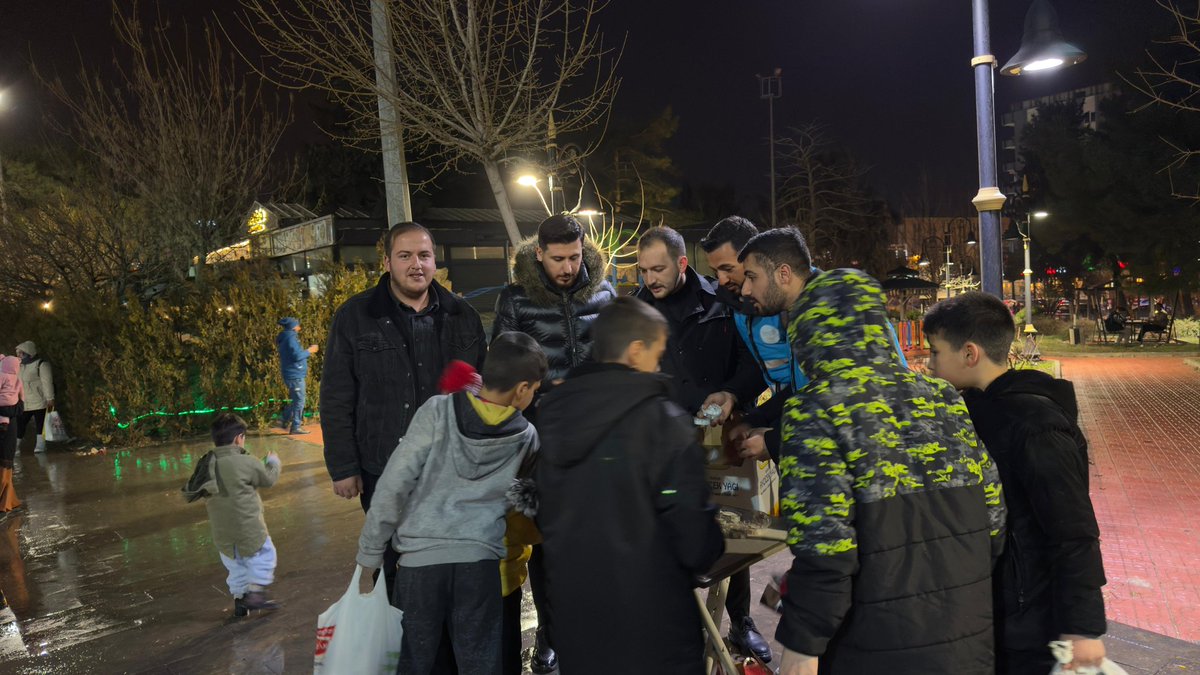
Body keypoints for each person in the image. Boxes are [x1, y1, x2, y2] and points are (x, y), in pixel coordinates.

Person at [738, 228, 1006, 675]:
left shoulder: (816, 410)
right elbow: (992, 519)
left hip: (876, 645)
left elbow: (825, 549)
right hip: (967, 637)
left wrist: (802, 650)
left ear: (808, 334)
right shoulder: (942, 398)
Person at [534, 297, 725, 675]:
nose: (660, 364)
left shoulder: (554, 417)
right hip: (654, 633)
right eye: (658, 353)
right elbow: (695, 540)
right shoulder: (662, 422)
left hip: (578, 629)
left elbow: (546, 517)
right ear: (637, 351)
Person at [924, 291, 1108, 675]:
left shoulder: (1033, 423)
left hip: (1032, 619)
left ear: (969, 353)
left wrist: (1084, 627)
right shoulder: (977, 407)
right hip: (996, 609)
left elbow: (1073, 528)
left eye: (936, 352)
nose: (929, 363)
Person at [356, 332, 545, 674]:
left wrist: (370, 552)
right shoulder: (527, 436)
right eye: (534, 388)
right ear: (521, 389)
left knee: (413, 661)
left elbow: (394, 483)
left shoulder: (438, 410)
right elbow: (522, 500)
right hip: (480, 564)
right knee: (482, 661)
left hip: (419, 566)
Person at [321, 221, 487, 596]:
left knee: (448, 565)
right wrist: (344, 467)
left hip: (450, 467)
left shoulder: (463, 315)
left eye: (424, 255)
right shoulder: (355, 317)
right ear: (387, 262)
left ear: (435, 261)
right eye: (406, 255)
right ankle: (400, 644)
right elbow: (336, 395)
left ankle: (441, 648)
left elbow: (484, 394)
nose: (417, 264)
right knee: (394, 566)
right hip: (383, 465)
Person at [491, 213, 616, 671]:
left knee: (594, 540)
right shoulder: (516, 298)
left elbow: (617, 354)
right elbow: (504, 371)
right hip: (541, 442)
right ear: (538, 253)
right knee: (544, 545)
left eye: (575, 257)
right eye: (558, 258)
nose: (567, 267)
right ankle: (548, 633)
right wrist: (547, 393)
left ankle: (592, 626)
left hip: (597, 440)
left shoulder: (604, 292)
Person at [698, 215, 808, 663]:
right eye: (718, 272)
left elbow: (828, 405)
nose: (728, 283)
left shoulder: (814, 316)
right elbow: (784, 385)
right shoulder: (750, 308)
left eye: (734, 271)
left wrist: (775, 439)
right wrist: (748, 410)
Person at [184, 412, 282, 617]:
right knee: (265, 556)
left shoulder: (207, 463)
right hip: (249, 529)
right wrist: (273, 462)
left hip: (223, 534)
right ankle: (256, 593)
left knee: (236, 567)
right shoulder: (247, 461)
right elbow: (268, 479)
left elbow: (194, 489)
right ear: (239, 438)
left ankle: (240, 600)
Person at [275, 317, 318, 435]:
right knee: (299, 400)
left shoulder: (287, 337)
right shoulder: (290, 338)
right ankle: (295, 427)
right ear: (293, 326)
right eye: (298, 325)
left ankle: (284, 419)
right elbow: (297, 356)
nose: (300, 327)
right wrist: (310, 350)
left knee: (297, 399)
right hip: (294, 374)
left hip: (292, 373)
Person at [14, 341, 53, 454]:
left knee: (40, 424)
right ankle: (15, 447)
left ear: (28, 352)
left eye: (21, 353)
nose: (18, 355)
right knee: (20, 424)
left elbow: (47, 383)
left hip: (39, 400)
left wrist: (50, 398)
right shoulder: (20, 366)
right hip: (24, 402)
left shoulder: (41, 364)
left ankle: (40, 446)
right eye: (17, 353)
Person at [0, 355, 23, 512]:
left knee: (5, 461)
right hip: (8, 425)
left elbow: (19, 408)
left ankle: (6, 501)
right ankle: (7, 501)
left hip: (7, 430)